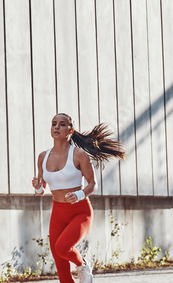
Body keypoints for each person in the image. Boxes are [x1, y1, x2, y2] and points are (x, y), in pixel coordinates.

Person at [31, 113, 124, 283]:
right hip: (58, 212)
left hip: (80, 212)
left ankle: (83, 265)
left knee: (62, 248)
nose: (57, 127)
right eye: (54, 124)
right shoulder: (43, 157)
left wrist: (79, 194)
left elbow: (92, 184)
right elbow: (41, 190)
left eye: (62, 124)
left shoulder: (79, 155)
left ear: (70, 130)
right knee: (61, 265)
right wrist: (37, 187)